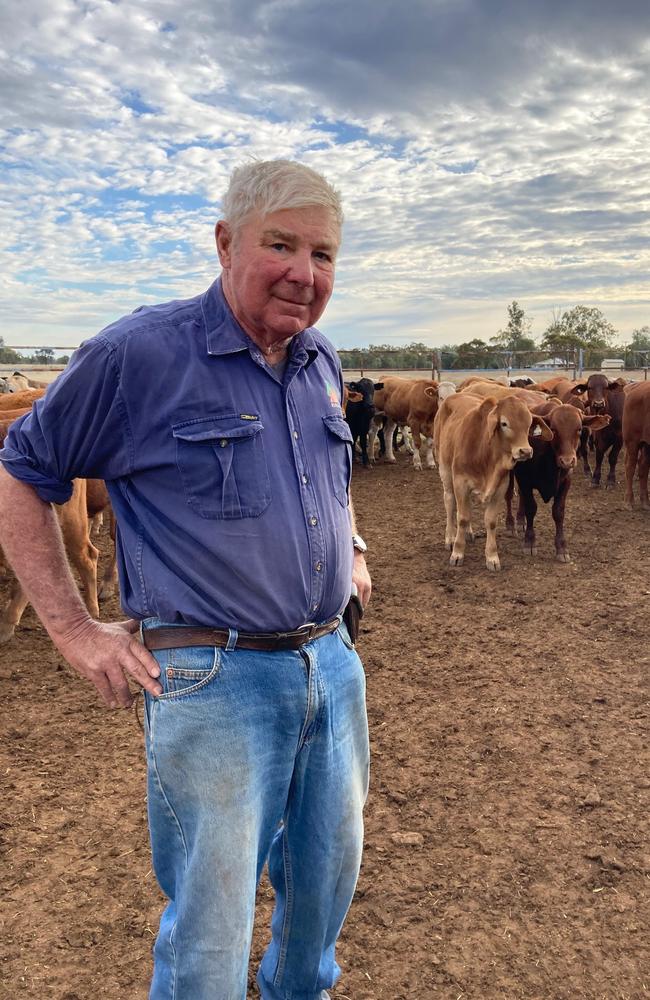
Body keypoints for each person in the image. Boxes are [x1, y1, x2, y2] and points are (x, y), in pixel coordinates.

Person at [0, 160, 371, 1000]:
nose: (303, 273)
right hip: (214, 681)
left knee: (323, 896)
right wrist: (72, 629)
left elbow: (323, 482)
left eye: (323, 254)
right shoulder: (140, 354)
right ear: (225, 242)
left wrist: (351, 550)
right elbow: (21, 472)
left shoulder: (319, 359)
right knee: (211, 924)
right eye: (281, 244)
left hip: (332, 664)